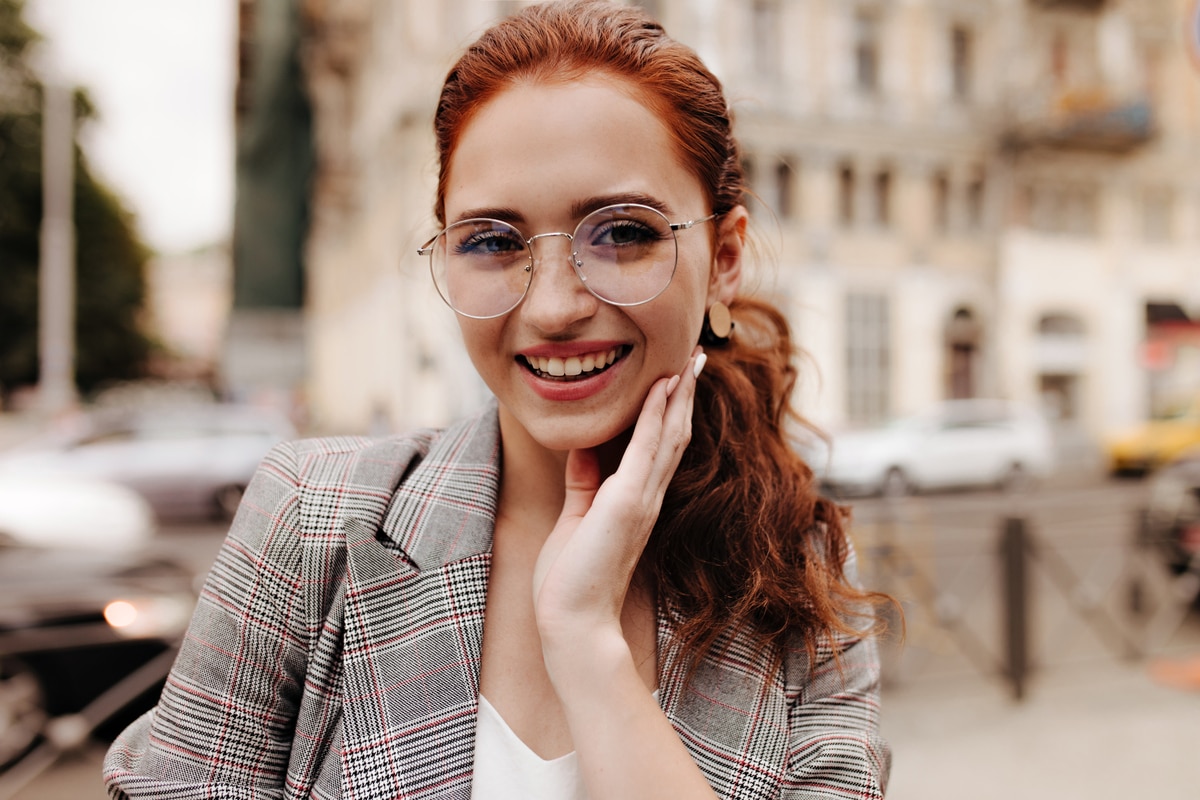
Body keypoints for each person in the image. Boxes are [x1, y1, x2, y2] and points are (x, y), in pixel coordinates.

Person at [103, 2, 894, 798]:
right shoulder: (311, 520)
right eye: (492, 241)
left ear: (722, 259)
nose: (552, 307)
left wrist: (587, 648)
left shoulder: (799, 566)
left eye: (622, 233)